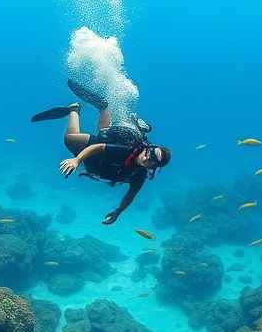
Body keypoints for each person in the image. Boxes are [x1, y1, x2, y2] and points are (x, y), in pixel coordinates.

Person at [32, 81, 171, 225]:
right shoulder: (128, 151)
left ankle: (104, 109)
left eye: (152, 161)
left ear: (153, 167)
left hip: (97, 163)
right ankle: (75, 110)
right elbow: (98, 147)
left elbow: (131, 194)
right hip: (97, 148)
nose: (147, 158)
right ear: (147, 149)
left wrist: (118, 211)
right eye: (149, 153)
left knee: (104, 131)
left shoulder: (139, 175)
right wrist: (76, 160)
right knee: (73, 139)